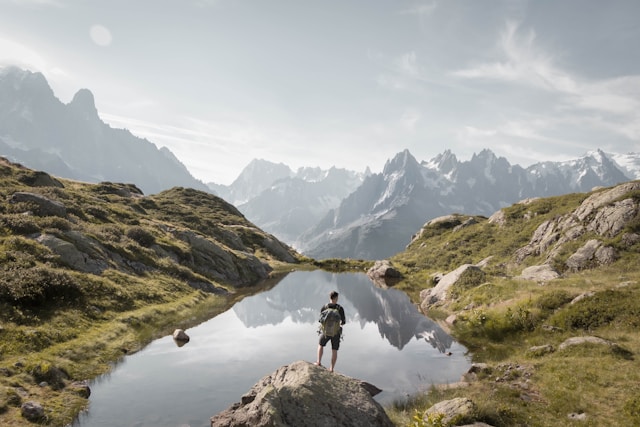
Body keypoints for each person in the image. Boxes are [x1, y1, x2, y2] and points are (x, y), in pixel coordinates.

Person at [315, 290, 346, 372]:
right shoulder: (340, 308)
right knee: (334, 350)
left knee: (320, 345)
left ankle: (318, 362)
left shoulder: (325, 307)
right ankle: (331, 368)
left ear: (330, 297)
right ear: (336, 298)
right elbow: (343, 322)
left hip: (325, 332)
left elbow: (320, 319)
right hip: (336, 333)